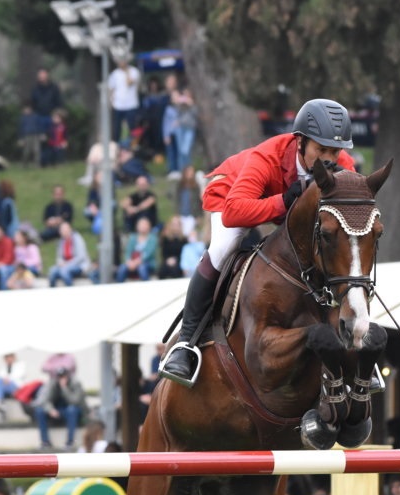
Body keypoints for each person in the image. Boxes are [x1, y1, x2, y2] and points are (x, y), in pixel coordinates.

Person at [160, 98, 356, 386]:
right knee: (223, 249)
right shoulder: (267, 157)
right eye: (321, 149)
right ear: (300, 142)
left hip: (282, 208)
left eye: (334, 151)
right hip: (233, 194)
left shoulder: (343, 165)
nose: (329, 159)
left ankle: (351, 338)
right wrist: (283, 201)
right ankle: (186, 343)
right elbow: (233, 212)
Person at [35, 366, 85, 450]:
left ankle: (70, 442)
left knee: (72, 409)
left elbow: (75, 401)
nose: (62, 379)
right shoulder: (52, 384)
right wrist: (50, 409)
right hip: (58, 411)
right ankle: (45, 442)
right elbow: (44, 400)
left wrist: (64, 388)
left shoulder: (75, 383)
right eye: (60, 377)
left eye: (64, 376)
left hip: (73, 412)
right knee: (39, 411)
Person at [108, 56, 141, 145]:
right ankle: (116, 148)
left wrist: (126, 71)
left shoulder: (134, 71)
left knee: (132, 129)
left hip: (131, 105)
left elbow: (129, 82)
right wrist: (111, 102)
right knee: (116, 129)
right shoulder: (114, 74)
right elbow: (111, 89)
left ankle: (133, 147)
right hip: (118, 105)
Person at [115, 217, 159, 282]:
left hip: (147, 263)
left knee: (142, 268)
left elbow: (149, 253)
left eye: (145, 225)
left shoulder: (152, 238)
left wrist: (136, 262)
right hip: (132, 262)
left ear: (149, 226)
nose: (143, 227)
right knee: (122, 268)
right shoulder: (132, 237)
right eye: (141, 225)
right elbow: (128, 251)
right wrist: (128, 261)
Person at [48, 222, 92, 286]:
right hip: (65, 265)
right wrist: (60, 262)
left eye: (65, 230)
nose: (63, 232)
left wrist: (67, 264)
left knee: (64, 271)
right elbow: (59, 257)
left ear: (70, 229)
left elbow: (80, 257)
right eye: (62, 230)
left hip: (79, 265)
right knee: (52, 271)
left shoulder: (77, 238)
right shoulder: (61, 242)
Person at [0, 353, 26, 420]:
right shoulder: (4, 367)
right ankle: (1, 404)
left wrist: (8, 379)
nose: (8, 359)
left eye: (10, 357)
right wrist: (5, 379)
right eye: (7, 358)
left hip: (16, 387)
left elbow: (19, 376)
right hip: (6, 387)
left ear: (14, 357)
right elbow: (0, 377)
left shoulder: (20, 365)